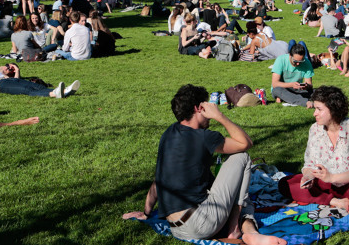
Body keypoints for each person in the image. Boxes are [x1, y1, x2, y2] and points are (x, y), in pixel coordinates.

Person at [121, 85, 286, 245]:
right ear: (199, 108)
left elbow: (160, 180)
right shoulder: (204, 137)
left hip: (177, 229)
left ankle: (247, 231)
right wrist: (220, 116)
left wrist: (146, 212)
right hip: (202, 223)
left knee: (238, 194)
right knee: (241, 158)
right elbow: (246, 143)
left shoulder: (169, 133)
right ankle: (239, 229)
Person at [278, 86, 349, 245]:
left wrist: (332, 177)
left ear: (333, 109)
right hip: (324, 183)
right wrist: (308, 176)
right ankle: (334, 201)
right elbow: (309, 163)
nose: (314, 113)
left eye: (319, 109)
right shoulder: (315, 130)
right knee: (285, 183)